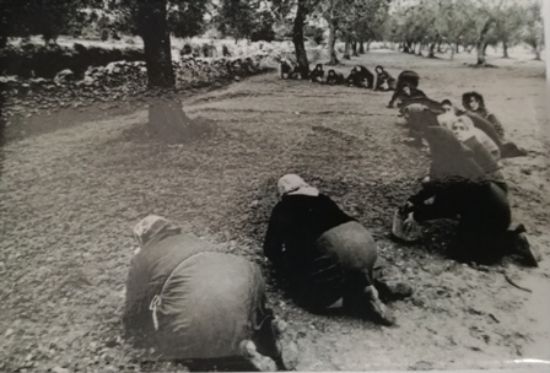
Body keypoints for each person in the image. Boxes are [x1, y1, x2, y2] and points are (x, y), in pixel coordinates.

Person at [124, 215, 287, 371]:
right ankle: (265, 331)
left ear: (143, 239)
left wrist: (135, 334)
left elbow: (134, 309)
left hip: (196, 299)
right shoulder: (193, 240)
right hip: (244, 273)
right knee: (242, 304)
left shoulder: (143, 256)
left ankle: (237, 359)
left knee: (195, 344)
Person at [264, 174, 412, 326]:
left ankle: (356, 300)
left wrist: (286, 271)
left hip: (336, 248)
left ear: (282, 192)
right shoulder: (321, 198)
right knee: (356, 264)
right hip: (363, 237)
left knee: (310, 298)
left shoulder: (282, 208)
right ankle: (376, 281)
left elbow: (271, 249)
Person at [397, 127, 540, 266]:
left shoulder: (457, 169)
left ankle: (513, 240)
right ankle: (500, 236)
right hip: (487, 203)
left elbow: (446, 208)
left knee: (463, 254)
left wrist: (417, 215)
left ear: (439, 146)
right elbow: (436, 185)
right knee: (464, 235)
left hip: (491, 213)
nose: (426, 149)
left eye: (428, 145)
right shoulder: (453, 158)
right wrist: (414, 200)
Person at [462, 92, 527, 157]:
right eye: (469, 102)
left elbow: (499, 130)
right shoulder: (467, 115)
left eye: (475, 101)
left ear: (479, 101)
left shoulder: (488, 114)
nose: (472, 104)